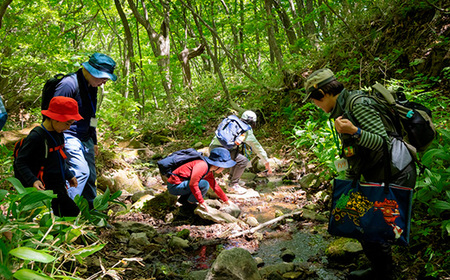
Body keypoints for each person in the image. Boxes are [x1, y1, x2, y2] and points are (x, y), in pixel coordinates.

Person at [304, 68, 416, 280]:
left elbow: (383, 143)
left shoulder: (358, 104)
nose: (314, 104)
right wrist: (347, 179)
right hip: (379, 171)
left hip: (397, 171)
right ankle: (379, 270)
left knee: (374, 229)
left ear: (323, 94)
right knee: (366, 225)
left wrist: (355, 132)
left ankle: (384, 274)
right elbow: (355, 152)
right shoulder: (342, 109)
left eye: (314, 99)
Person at [53, 52, 117, 209]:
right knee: (81, 172)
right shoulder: (68, 84)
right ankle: (64, 211)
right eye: (102, 78)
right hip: (67, 134)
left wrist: (94, 140)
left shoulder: (92, 86)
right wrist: (55, 140)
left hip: (85, 137)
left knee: (90, 176)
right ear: (90, 71)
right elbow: (53, 115)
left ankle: (90, 211)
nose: (103, 82)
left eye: (106, 79)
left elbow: (92, 116)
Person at [14, 96, 83, 217]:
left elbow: (59, 158)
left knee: (67, 215)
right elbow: (21, 162)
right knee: (72, 214)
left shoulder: (58, 133)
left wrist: (69, 175)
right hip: (44, 187)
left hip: (58, 185)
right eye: (67, 123)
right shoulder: (36, 137)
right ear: (54, 118)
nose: (68, 128)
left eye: (70, 124)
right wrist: (33, 180)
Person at [210, 110, 273, 194]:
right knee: (243, 161)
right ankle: (233, 185)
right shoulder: (245, 130)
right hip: (222, 151)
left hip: (213, 147)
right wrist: (266, 161)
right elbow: (257, 147)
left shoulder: (232, 123)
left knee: (237, 157)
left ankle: (231, 182)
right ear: (253, 122)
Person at [167, 147, 236, 212]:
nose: (224, 168)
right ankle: (189, 205)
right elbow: (193, 184)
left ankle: (183, 201)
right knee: (204, 184)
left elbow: (215, 186)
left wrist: (226, 200)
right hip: (174, 186)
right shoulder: (202, 166)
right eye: (224, 166)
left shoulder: (208, 170)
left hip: (182, 184)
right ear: (217, 165)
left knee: (203, 184)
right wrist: (202, 202)